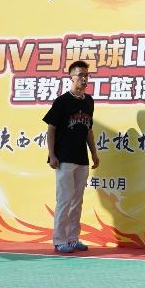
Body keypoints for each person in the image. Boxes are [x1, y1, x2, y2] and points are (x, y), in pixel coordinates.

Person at [44, 60, 100, 254]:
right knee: (65, 200)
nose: (84, 79)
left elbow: (88, 130)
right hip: (64, 158)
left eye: (87, 75)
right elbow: (51, 129)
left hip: (82, 158)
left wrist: (94, 153)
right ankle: (60, 240)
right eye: (80, 75)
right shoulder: (62, 101)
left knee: (77, 201)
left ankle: (73, 238)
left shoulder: (89, 101)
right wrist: (52, 154)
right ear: (71, 77)